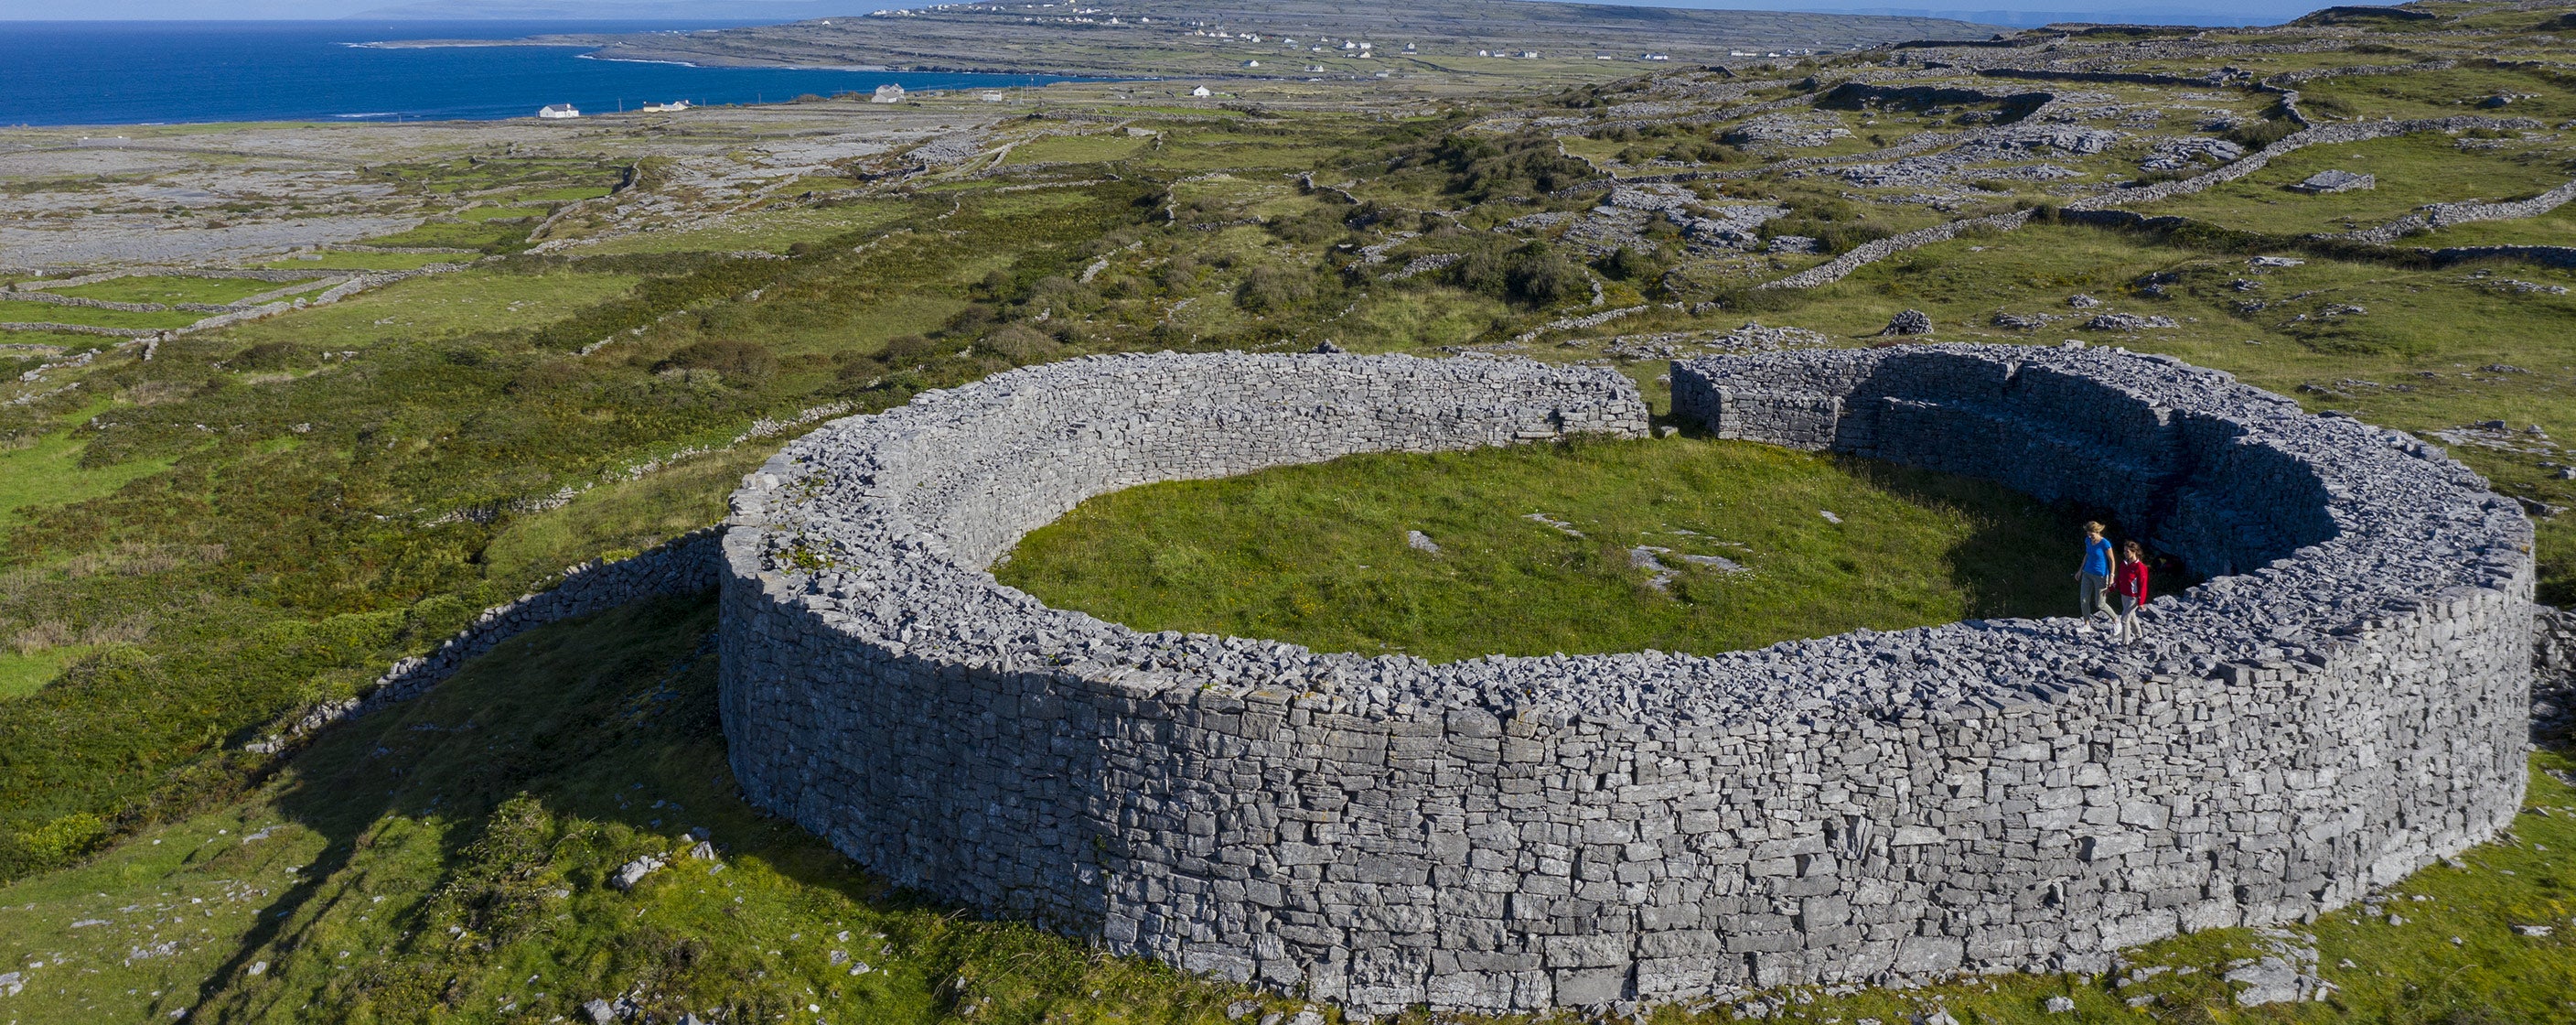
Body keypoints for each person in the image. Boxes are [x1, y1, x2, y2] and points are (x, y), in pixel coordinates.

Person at [2075, 522, 2113, 630]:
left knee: (2100, 604)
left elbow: (2111, 560)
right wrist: (2080, 570)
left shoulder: (2105, 543)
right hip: (2087, 573)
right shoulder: (2088, 540)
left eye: (2091, 534)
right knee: (2084, 600)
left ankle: (2116, 620)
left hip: (2101, 575)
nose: (2090, 536)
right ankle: (2087, 624)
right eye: (2088, 534)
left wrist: (2111, 576)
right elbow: (2087, 554)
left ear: (2097, 532)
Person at [2112, 540, 2150, 642]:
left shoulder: (2140, 567)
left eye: (2127, 551)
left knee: (2124, 619)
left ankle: (2125, 644)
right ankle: (2139, 637)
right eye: (2124, 551)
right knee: (2132, 617)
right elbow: (2120, 579)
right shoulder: (2124, 564)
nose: (2125, 553)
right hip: (2124, 595)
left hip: (2133, 598)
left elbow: (2143, 586)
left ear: (2134, 552)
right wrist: (2111, 588)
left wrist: (2141, 602)